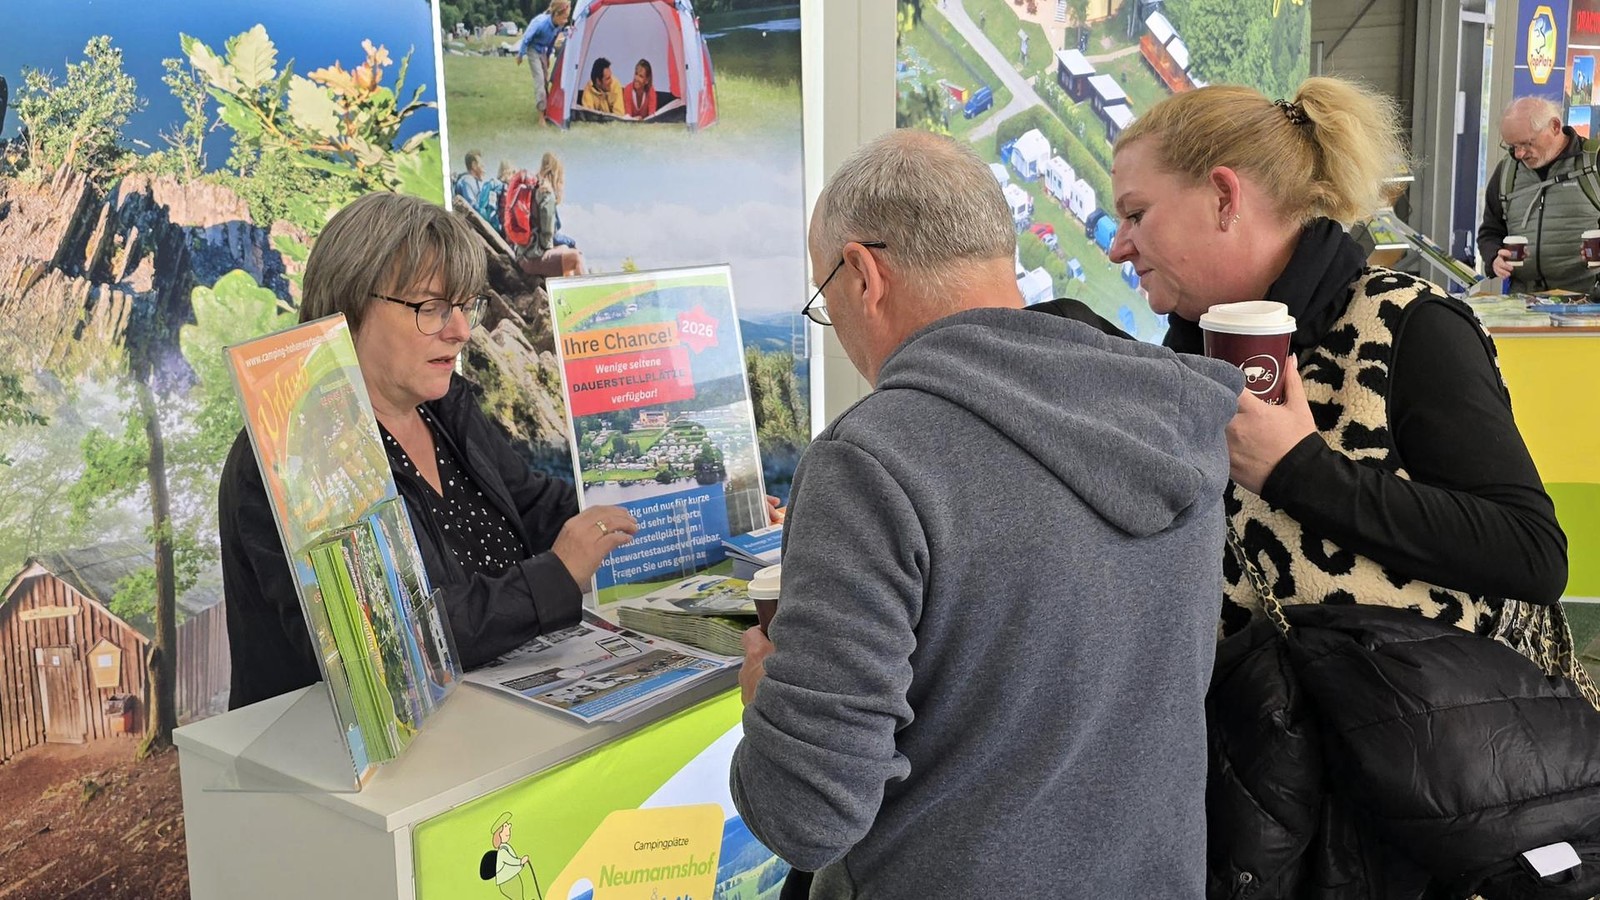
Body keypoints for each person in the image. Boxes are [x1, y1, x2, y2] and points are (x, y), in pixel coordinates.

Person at [729, 129, 1244, 898]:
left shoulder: (874, 462)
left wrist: (767, 704)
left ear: (863, 273)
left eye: (822, 299)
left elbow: (807, 814)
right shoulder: (1171, 415)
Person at [1105, 76, 1585, 894]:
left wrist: (1300, 472)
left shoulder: (1408, 326)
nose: (1120, 246)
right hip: (1248, 807)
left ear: (1224, 196)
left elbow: (1530, 553)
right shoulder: (1180, 358)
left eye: (1137, 214)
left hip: (1406, 808)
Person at [220, 192, 636, 709]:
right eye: (432, 308)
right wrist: (552, 580)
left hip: (485, 730)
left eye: (465, 306)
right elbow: (377, 649)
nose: (461, 331)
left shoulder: (445, 409)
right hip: (345, 777)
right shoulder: (295, 450)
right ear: (348, 306)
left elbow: (534, 505)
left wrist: (674, 504)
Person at [1477, 96, 1598, 293]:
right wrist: (1494, 258)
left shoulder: (1594, 165)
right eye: (1512, 146)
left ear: (1555, 126)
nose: (1519, 154)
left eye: (1526, 144)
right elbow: (1490, 231)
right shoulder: (1507, 172)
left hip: (1588, 304)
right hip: (1524, 305)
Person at [516, 152, 584, 278]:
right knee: (576, 257)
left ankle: (567, 294)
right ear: (556, 173)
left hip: (523, 253)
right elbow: (548, 235)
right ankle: (588, 296)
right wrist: (571, 242)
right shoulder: (546, 193)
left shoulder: (532, 187)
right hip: (531, 258)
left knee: (565, 249)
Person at [514, 0, 571, 121]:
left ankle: (547, 110)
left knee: (545, 80)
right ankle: (541, 117)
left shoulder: (559, 25)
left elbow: (552, 41)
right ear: (556, 14)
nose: (565, 21)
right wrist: (520, 55)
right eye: (564, 18)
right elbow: (527, 38)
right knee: (539, 81)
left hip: (543, 51)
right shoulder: (541, 23)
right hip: (533, 49)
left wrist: (548, 56)